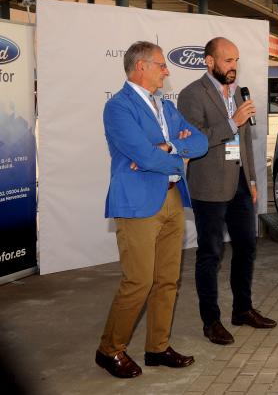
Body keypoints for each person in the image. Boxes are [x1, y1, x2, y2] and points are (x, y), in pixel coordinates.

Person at [96, 41, 208, 379]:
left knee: (167, 280)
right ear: (140, 67)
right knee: (139, 281)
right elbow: (142, 156)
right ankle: (109, 350)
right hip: (138, 203)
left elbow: (200, 142)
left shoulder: (164, 106)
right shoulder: (118, 107)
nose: (167, 70)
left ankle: (157, 348)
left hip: (172, 198)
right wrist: (174, 153)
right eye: (161, 64)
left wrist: (170, 145)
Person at [178, 37, 276, 346]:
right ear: (210, 61)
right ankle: (211, 321)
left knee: (247, 247)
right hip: (209, 187)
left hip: (240, 186)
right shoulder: (192, 95)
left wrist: (253, 180)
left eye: (236, 61)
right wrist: (232, 122)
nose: (234, 67)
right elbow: (193, 141)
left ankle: (242, 310)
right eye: (228, 61)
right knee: (211, 254)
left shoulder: (237, 93)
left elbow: (245, 141)